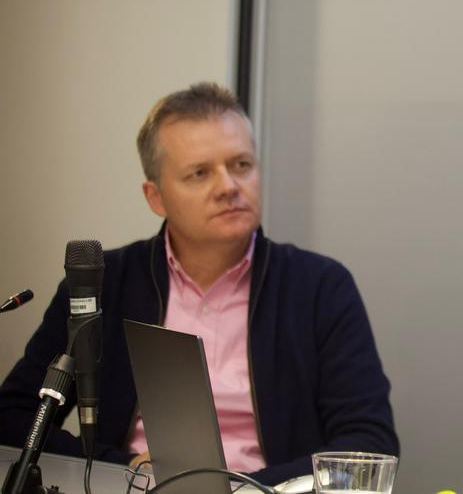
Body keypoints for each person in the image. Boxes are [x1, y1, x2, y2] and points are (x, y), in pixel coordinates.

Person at [0, 83, 398, 485]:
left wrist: (243, 487)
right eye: (200, 172)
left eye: (241, 165)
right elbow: (14, 418)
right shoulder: (103, 284)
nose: (228, 186)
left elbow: (369, 445)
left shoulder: (319, 287)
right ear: (156, 197)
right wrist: (124, 467)